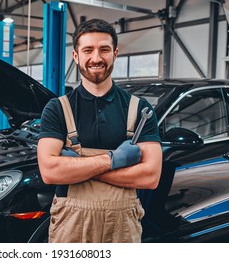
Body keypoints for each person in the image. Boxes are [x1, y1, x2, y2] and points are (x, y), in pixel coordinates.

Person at [37, 18, 162, 243]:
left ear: (115, 53)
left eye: (104, 49)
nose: (96, 58)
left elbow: (151, 176)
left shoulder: (139, 108)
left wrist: (78, 168)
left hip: (123, 226)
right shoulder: (58, 108)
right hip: (70, 225)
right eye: (88, 50)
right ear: (76, 56)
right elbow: (50, 172)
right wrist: (115, 159)